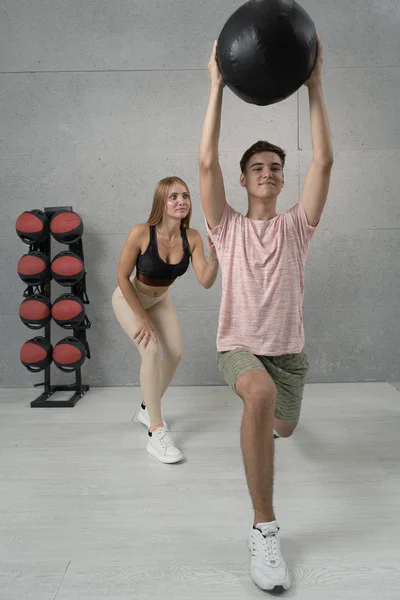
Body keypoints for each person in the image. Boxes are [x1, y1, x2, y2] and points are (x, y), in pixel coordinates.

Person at [198, 40, 333, 592]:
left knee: (282, 422)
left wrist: (315, 84)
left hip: (289, 357)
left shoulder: (297, 227)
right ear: (243, 179)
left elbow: (323, 161)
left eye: (276, 166)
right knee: (258, 395)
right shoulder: (225, 227)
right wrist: (217, 85)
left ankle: (269, 429)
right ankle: (264, 530)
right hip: (239, 348)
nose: (269, 172)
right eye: (258, 166)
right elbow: (205, 161)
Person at [112, 176, 219, 464]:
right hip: (130, 299)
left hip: (160, 300)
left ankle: (149, 407)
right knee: (150, 350)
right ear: (161, 201)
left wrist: (216, 254)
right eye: (173, 196)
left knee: (175, 353)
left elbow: (206, 281)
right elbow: (122, 278)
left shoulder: (193, 237)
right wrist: (141, 316)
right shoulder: (141, 233)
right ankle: (156, 432)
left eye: (185, 196)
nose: (181, 201)